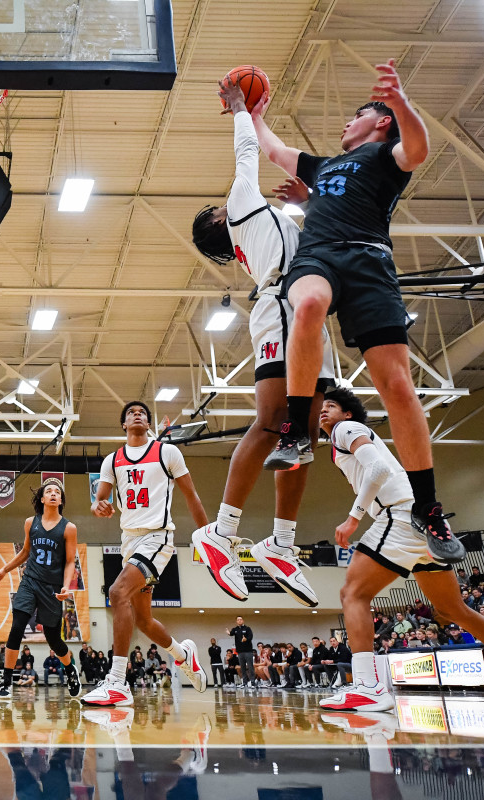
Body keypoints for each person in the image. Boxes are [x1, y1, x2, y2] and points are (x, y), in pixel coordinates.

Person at [250, 59, 463, 565]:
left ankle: (428, 508)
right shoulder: (323, 167)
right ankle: (299, 432)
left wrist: (400, 100)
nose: (345, 124)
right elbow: (276, 151)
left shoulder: (388, 156)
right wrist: (251, 111)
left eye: (355, 116)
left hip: (368, 258)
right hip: (318, 254)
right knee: (306, 306)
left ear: (380, 120)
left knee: (397, 385)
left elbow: (419, 149)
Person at [317, 387, 484, 711]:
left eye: (331, 405)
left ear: (347, 414)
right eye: (321, 405)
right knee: (453, 610)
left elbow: (378, 470)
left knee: (353, 594)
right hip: (418, 519)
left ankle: (368, 687)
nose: (322, 410)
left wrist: (352, 518)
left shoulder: (346, 430)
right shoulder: (343, 440)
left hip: (400, 515)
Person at [189, 78, 331, 609]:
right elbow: (247, 152)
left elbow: (316, 234)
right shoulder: (241, 203)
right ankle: (220, 532)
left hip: (309, 308)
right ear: (219, 220)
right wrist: (239, 109)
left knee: (305, 432)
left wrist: (309, 199)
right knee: (273, 422)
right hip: (280, 309)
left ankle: (282, 542)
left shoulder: (263, 220)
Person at [83, 401, 210, 706]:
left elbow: (191, 495)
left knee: (117, 592)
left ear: (148, 423)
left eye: (142, 412)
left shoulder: (167, 452)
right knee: (143, 621)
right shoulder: (112, 460)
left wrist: (209, 537)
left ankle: (116, 682)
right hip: (129, 540)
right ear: (123, 425)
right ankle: (184, 655)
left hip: (158, 537)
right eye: (130, 413)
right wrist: (99, 506)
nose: (136, 414)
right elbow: (98, 499)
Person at [0, 482, 83, 698]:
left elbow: (70, 561)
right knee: (17, 628)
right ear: (42, 499)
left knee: (53, 638)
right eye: (49, 491)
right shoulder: (30, 523)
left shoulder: (69, 528)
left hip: (52, 587)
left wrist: (66, 585)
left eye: (57, 492)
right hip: (30, 581)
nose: (53, 494)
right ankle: (6, 679)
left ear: (61, 501)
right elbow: (25, 551)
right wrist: (4, 569)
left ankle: (70, 670)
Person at [227, 616, 257, 688]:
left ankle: (253, 683)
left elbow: (251, 636)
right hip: (240, 652)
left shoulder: (247, 628)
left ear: (243, 620)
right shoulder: (235, 629)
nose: (239, 621)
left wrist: (246, 639)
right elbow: (231, 633)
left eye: (241, 619)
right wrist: (228, 633)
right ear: (236, 621)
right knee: (242, 667)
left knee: (250, 667)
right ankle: (244, 683)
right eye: (238, 620)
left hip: (248, 651)